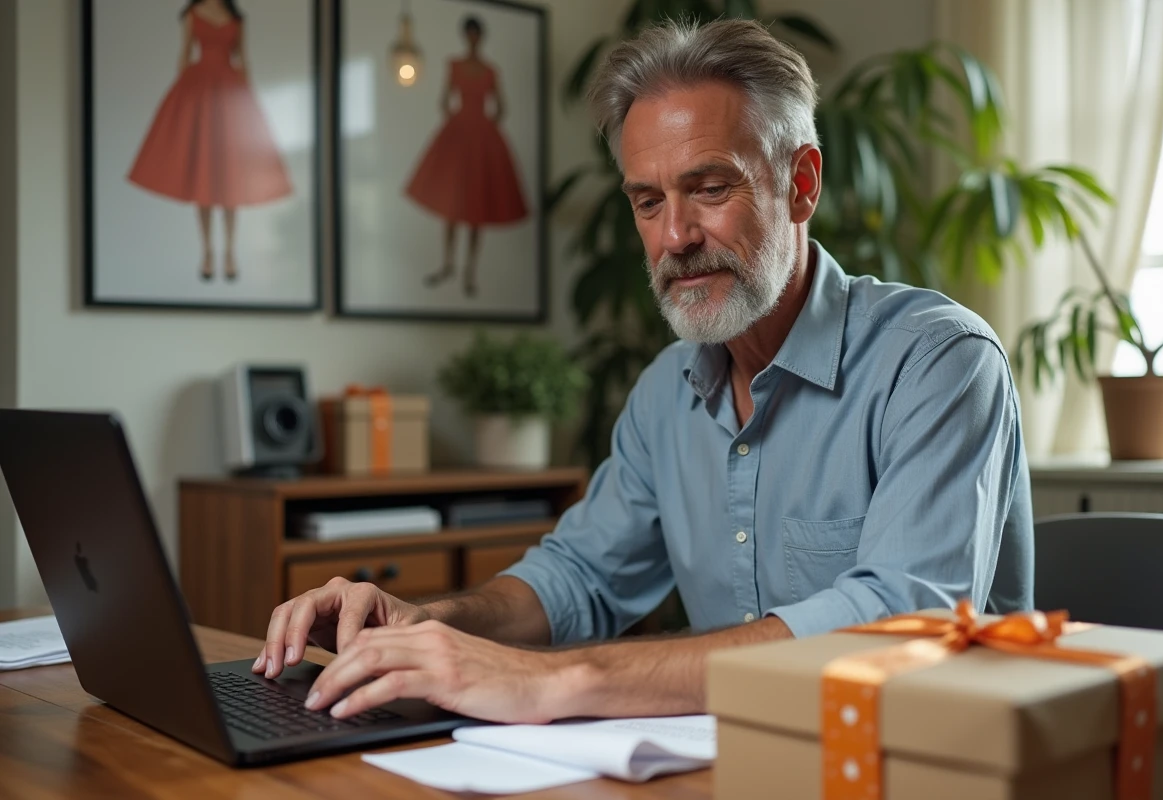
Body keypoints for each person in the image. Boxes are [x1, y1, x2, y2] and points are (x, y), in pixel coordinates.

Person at [254, 19, 1033, 725]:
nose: (676, 236)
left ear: (801, 184)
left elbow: (900, 623)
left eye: (710, 187)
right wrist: (424, 621)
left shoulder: (938, 362)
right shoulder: (667, 390)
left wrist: (559, 681)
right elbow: (578, 578)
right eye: (647, 202)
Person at [127, 0, 292, 282]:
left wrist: (248, 101)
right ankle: (207, 251)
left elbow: (243, 58)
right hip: (200, 92)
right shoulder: (193, 14)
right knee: (202, 174)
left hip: (229, 94)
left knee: (231, 177)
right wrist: (181, 102)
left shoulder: (237, 18)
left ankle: (228, 251)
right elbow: (184, 54)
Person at [405, 16, 529, 298]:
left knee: (476, 209)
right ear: (465, 36)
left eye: (476, 33)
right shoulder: (455, 66)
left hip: (479, 138)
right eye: (469, 33)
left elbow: (501, 105)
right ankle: (448, 263)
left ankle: (469, 270)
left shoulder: (490, 71)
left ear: (480, 36)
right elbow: (443, 99)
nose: (472, 38)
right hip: (461, 136)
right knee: (452, 205)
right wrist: (457, 122)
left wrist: (485, 128)